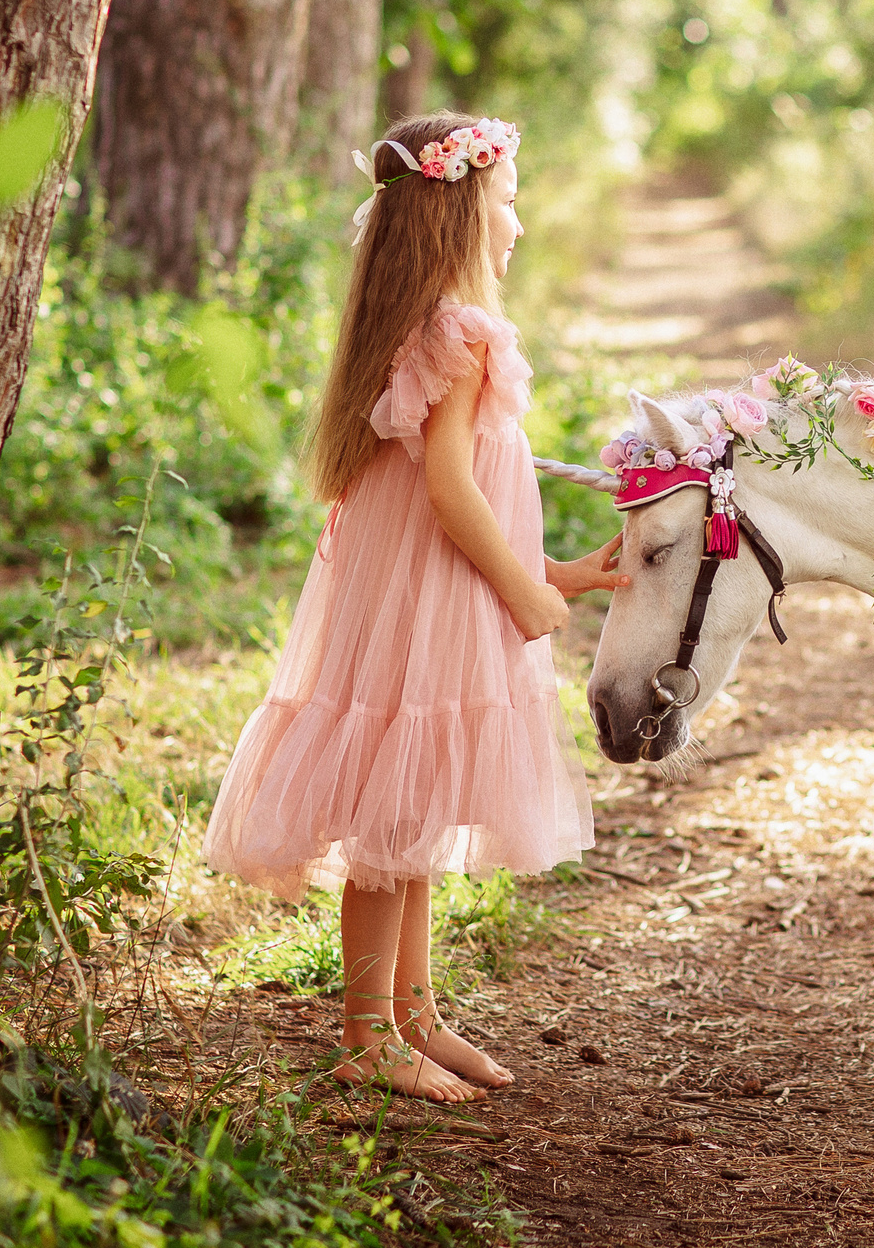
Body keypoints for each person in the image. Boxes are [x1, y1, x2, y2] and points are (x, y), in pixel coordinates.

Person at [203, 111, 626, 1102]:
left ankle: (412, 1013)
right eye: (509, 201)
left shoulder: (417, 327)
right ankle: (364, 1035)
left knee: (412, 813)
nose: (517, 223)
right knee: (390, 829)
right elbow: (448, 490)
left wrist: (561, 570)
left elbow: (454, 503)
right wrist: (527, 591)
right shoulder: (459, 334)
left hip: (425, 603)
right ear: (465, 208)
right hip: (425, 616)